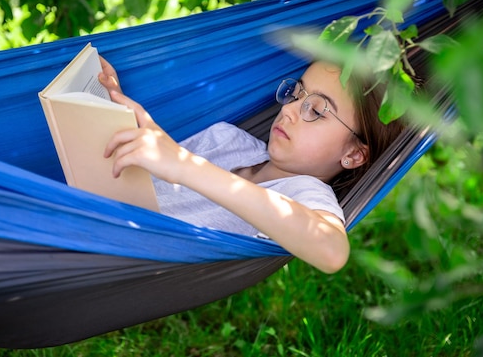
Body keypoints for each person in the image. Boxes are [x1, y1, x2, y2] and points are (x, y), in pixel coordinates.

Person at [97, 56, 404, 273]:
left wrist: (185, 167)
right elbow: (155, 176)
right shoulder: (226, 139)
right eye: (297, 93)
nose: (290, 111)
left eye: (317, 111)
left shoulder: (302, 192)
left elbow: (332, 251)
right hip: (95, 210)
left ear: (353, 155)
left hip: (107, 254)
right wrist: (112, 105)